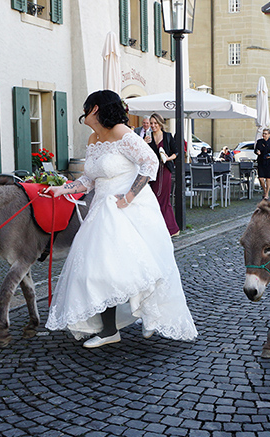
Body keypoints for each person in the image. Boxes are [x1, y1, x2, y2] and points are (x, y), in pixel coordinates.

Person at [44, 90, 197, 348]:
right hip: (101, 211)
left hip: (128, 209)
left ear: (94, 109)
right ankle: (108, 330)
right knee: (98, 272)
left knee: (136, 267)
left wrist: (128, 198)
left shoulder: (121, 133)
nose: (82, 112)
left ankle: (149, 314)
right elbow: (89, 180)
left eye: (85, 107)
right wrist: (63, 189)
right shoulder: (93, 138)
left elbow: (150, 163)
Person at [145, 112, 179, 236]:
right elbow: (144, 155)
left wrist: (168, 158)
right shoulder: (148, 137)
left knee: (163, 198)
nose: (153, 126)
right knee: (154, 198)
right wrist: (144, 143)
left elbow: (176, 152)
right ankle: (159, 227)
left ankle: (171, 229)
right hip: (153, 171)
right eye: (151, 123)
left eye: (155, 123)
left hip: (165, 170)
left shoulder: (168, 136)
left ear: (160, 123)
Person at [254, 129, 270, 200]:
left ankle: (267, 194)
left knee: (268, 178)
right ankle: (264, 190)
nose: (264, 135)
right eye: (263, 133)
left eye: (265, 134)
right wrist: (257, 152)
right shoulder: (259, 142)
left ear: (269, 134)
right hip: (261, 161)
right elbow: (255, 150)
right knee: (260, 178)